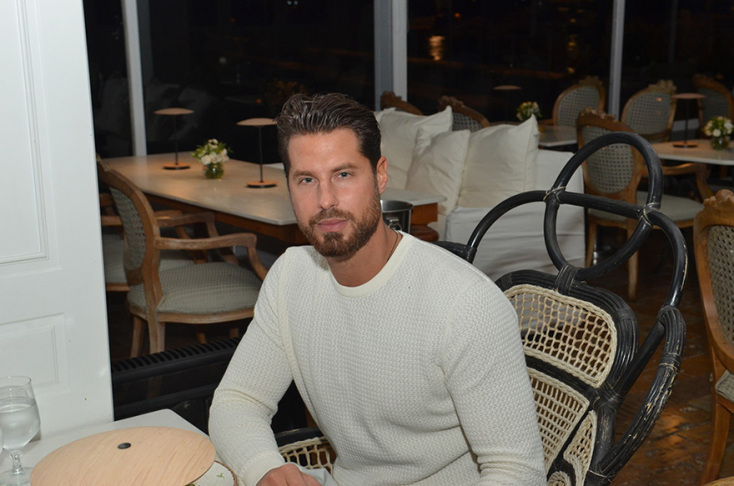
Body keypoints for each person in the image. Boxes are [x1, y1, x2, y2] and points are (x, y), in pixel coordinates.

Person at [208, 93, 546, 486]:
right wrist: (264, 468)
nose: (325, 200)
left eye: (343, 174)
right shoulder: (290, 277)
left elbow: (518, 472)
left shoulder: (465, 304)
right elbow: (238, 401)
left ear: (380, 175)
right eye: (306, 180)